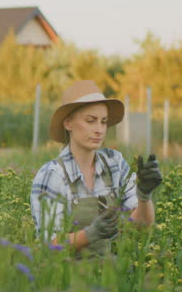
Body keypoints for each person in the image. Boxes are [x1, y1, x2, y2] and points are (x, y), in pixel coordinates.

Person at [29, 79, 162, 255]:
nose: (99, 130)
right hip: (67, 278)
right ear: (68, 123)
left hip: (109, 275)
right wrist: (91, 234)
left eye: (103, 122)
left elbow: (141, 226)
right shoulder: (52, 175)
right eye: (91, 121)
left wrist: (144, 196)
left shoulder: (114, 163)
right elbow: (48, 247)